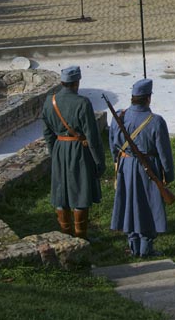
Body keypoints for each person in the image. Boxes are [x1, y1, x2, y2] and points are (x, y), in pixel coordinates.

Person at [109, 78, 175, 257]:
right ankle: (145, 248)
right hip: (148, 168)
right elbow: (164, 153)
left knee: (129, 203)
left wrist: (119, 164)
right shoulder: (156, 121)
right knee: (147, 206)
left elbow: (113, 146)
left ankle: (133, 244)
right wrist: (167, 175)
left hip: (125, 166)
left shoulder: (119, 116)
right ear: (148, 98)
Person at [41, 66, 106, 239]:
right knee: (80, 192)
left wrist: (54, 152)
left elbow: (47, 133)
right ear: (77, 82)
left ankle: (66, 235)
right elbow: (92, 137)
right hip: (79, 150)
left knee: (61, 193)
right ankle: (81, 236)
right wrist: (99, 161)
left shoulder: (49, 101)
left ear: (62, 82)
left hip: (59, 149)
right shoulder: (83, 103)